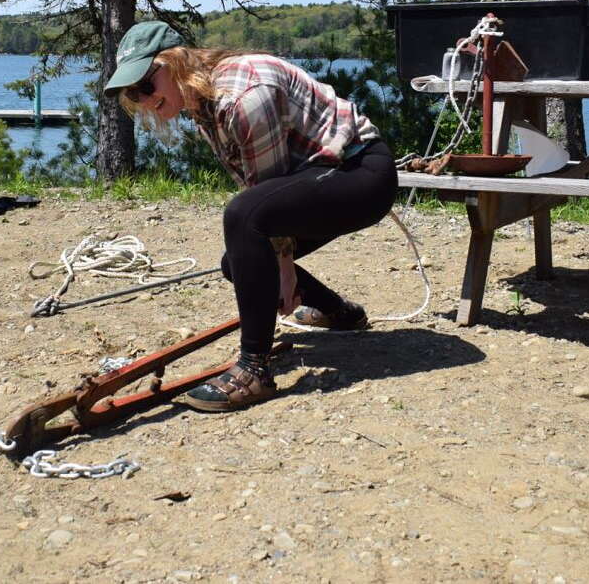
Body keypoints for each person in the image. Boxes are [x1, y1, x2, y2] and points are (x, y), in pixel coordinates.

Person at [104, 21, 397, 412]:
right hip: (327, 175)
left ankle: (253, 370)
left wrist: (285, 265)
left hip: (362, 174)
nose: (142, 99)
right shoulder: (205, 100)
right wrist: (279, 264)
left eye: (145, 85)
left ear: (174, 63)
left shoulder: (242, 96)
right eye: (132, 93)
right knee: (240, 262)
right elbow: (260, 190)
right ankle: (339, 313)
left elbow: (261, 200)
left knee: (243, 220)